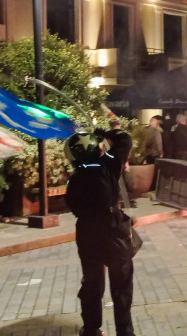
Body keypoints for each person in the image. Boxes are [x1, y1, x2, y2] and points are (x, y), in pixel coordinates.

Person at [64, 130, 135, 336]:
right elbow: (125, 139)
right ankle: (125, 332)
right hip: (113, 231)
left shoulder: (76, 177)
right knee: (121, 285)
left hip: (88, 234)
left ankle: (92, 328)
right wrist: (104, 132)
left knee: (92, 283)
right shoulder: (108, 165)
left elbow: (73, 206)